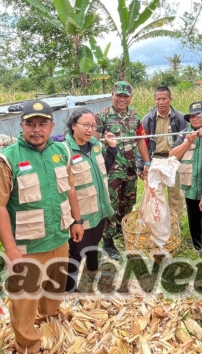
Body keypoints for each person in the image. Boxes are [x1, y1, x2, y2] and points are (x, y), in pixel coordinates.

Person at [0, 100, 84, 354]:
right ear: (22, 126)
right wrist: (11, 249)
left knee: (54, 288)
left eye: (42, 124)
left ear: (52, 126)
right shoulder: (5, 160)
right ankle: (28, 345)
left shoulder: (60, 152)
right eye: (30, 124)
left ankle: (50, 326)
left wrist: (77, 220)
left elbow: (70, 188)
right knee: (25, 301)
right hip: (27, 246)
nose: (36, 129)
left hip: (59, 238)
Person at [63, 108, 118, 292]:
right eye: (85, 125)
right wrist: (73, 219)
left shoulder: (95, 145)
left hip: (99, 208)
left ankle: (93, 271)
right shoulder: (65, 151)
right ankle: (69, 290)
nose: (89, 129)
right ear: (73, 125)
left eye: (93, 125)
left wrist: (112, 148)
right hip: (80, 213)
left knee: (94, 244)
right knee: (76, 252)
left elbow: (104, 169)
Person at [95, 81, 150, 259]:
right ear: (112, 95)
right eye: (119, 95)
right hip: (110, 170)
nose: (122, 99)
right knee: (110, 204)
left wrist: (147, 163)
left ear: (131, 97)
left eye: (126, 96)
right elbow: (94, 142)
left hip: (130, 169)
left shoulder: (135, 116)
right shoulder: (102, 116)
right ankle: (108, 243)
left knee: (127, 202)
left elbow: (140, 139)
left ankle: (120, 229)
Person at [168, 101, 202, 253]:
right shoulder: (184, 133)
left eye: (199, 115)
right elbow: (172, 156)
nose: (195, 119)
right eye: (192, 116)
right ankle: (198, 246)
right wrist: (188, 142)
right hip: (191, 183)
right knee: (193, 218)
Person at [141, 86, 187, 217]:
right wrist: (143, 164)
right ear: (154, 100)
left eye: (164, 99)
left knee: (176, 196)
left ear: (170, 99)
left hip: (173, 160)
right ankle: (157, 226)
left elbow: (186, 141)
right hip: (155, 160)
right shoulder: (147, 119)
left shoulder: (180, 118)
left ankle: (174, 226)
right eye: (158, 99)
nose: (161, 102)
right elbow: (142, 143)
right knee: (154, 196)